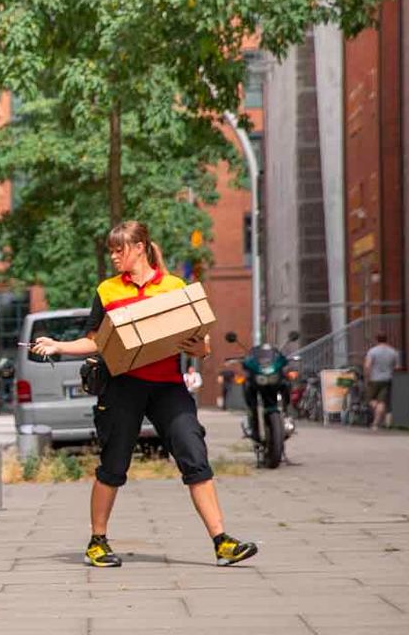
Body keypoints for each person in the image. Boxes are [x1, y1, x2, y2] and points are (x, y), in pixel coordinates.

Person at [30, 221, 258, 569]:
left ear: (140, 248)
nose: (114, 256)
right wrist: (58, 345)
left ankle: (221, 542)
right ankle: (97, 541)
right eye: (111, 250)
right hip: (123, 385)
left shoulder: (173, 287)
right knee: (114, 463)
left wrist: (200, 347)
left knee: (194, 454)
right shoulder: (107, 291)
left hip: (168, 385)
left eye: (119, 249)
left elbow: (201, 344)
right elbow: (96, 341)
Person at [364, 333, 401, 430]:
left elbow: (367, 365)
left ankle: (376, 420)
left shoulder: (372, 351)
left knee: (369, 399)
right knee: (382, 401)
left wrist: (367, 376)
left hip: (374, 379)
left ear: (376, 340)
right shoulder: (393, 352)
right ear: (386, 339)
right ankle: (377, 423)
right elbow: (397, 367)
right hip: (387, 379)